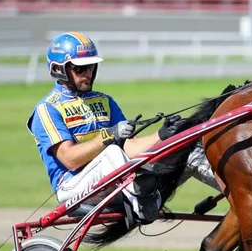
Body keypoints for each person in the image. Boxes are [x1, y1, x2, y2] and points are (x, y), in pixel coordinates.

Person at [27, 31, 219, 222]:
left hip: (116, 178)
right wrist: (108, 135)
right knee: (111, 152)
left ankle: (240, 192)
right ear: (59, 69)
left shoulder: (104, 101)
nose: (88, 73)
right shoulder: (47, 109)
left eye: (92, 66)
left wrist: (162, 135)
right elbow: (70, 159)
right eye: (80, 68)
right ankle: (142, 200)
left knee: (187, 151)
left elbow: (129, 148)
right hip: (73, 187)